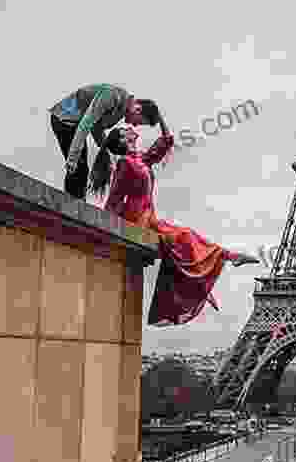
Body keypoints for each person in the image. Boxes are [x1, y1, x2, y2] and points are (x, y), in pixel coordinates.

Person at [89, 119, 259, 324]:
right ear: (124, 140)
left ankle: (225, 259)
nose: (130, 128)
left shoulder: (141, 160)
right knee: (184, 237)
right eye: (126, 130)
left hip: (149, 217)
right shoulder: (126, 163)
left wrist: (158, 117)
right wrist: (106, 227)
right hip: (138, 219)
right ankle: (219, 265)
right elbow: (115, 198)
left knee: (185, 238)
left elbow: (165, 142)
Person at [49, 84, 157, 199]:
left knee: (81, 169)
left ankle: (77, 203)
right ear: (138, 109)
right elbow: (86, 124)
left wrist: (105, 152)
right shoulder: (111, 96)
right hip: (64, 119)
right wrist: (72, 158)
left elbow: (97, 128)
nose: (135, 125)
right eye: (139, 122)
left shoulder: (120, 110)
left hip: (75, 125)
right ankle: (72, 205)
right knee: (79, 168)